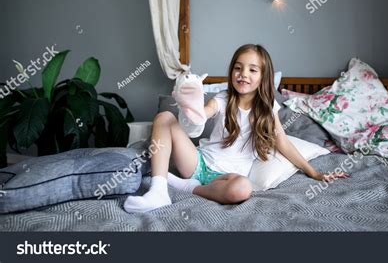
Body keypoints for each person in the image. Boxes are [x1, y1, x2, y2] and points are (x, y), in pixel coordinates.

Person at [124, 44, 349, 213]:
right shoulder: (223, 98)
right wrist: (191, 105)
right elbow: (204, 114)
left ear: (263, 77)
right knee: (164, 116)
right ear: (232, 72)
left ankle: (187, 188)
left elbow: (283, 142)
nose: (243, 74)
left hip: (228, 177)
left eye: (253, 70)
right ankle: (159, 190)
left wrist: (314, 172)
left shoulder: (268, 108)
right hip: (197, 163)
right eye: (238, 68)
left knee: (243, 190)